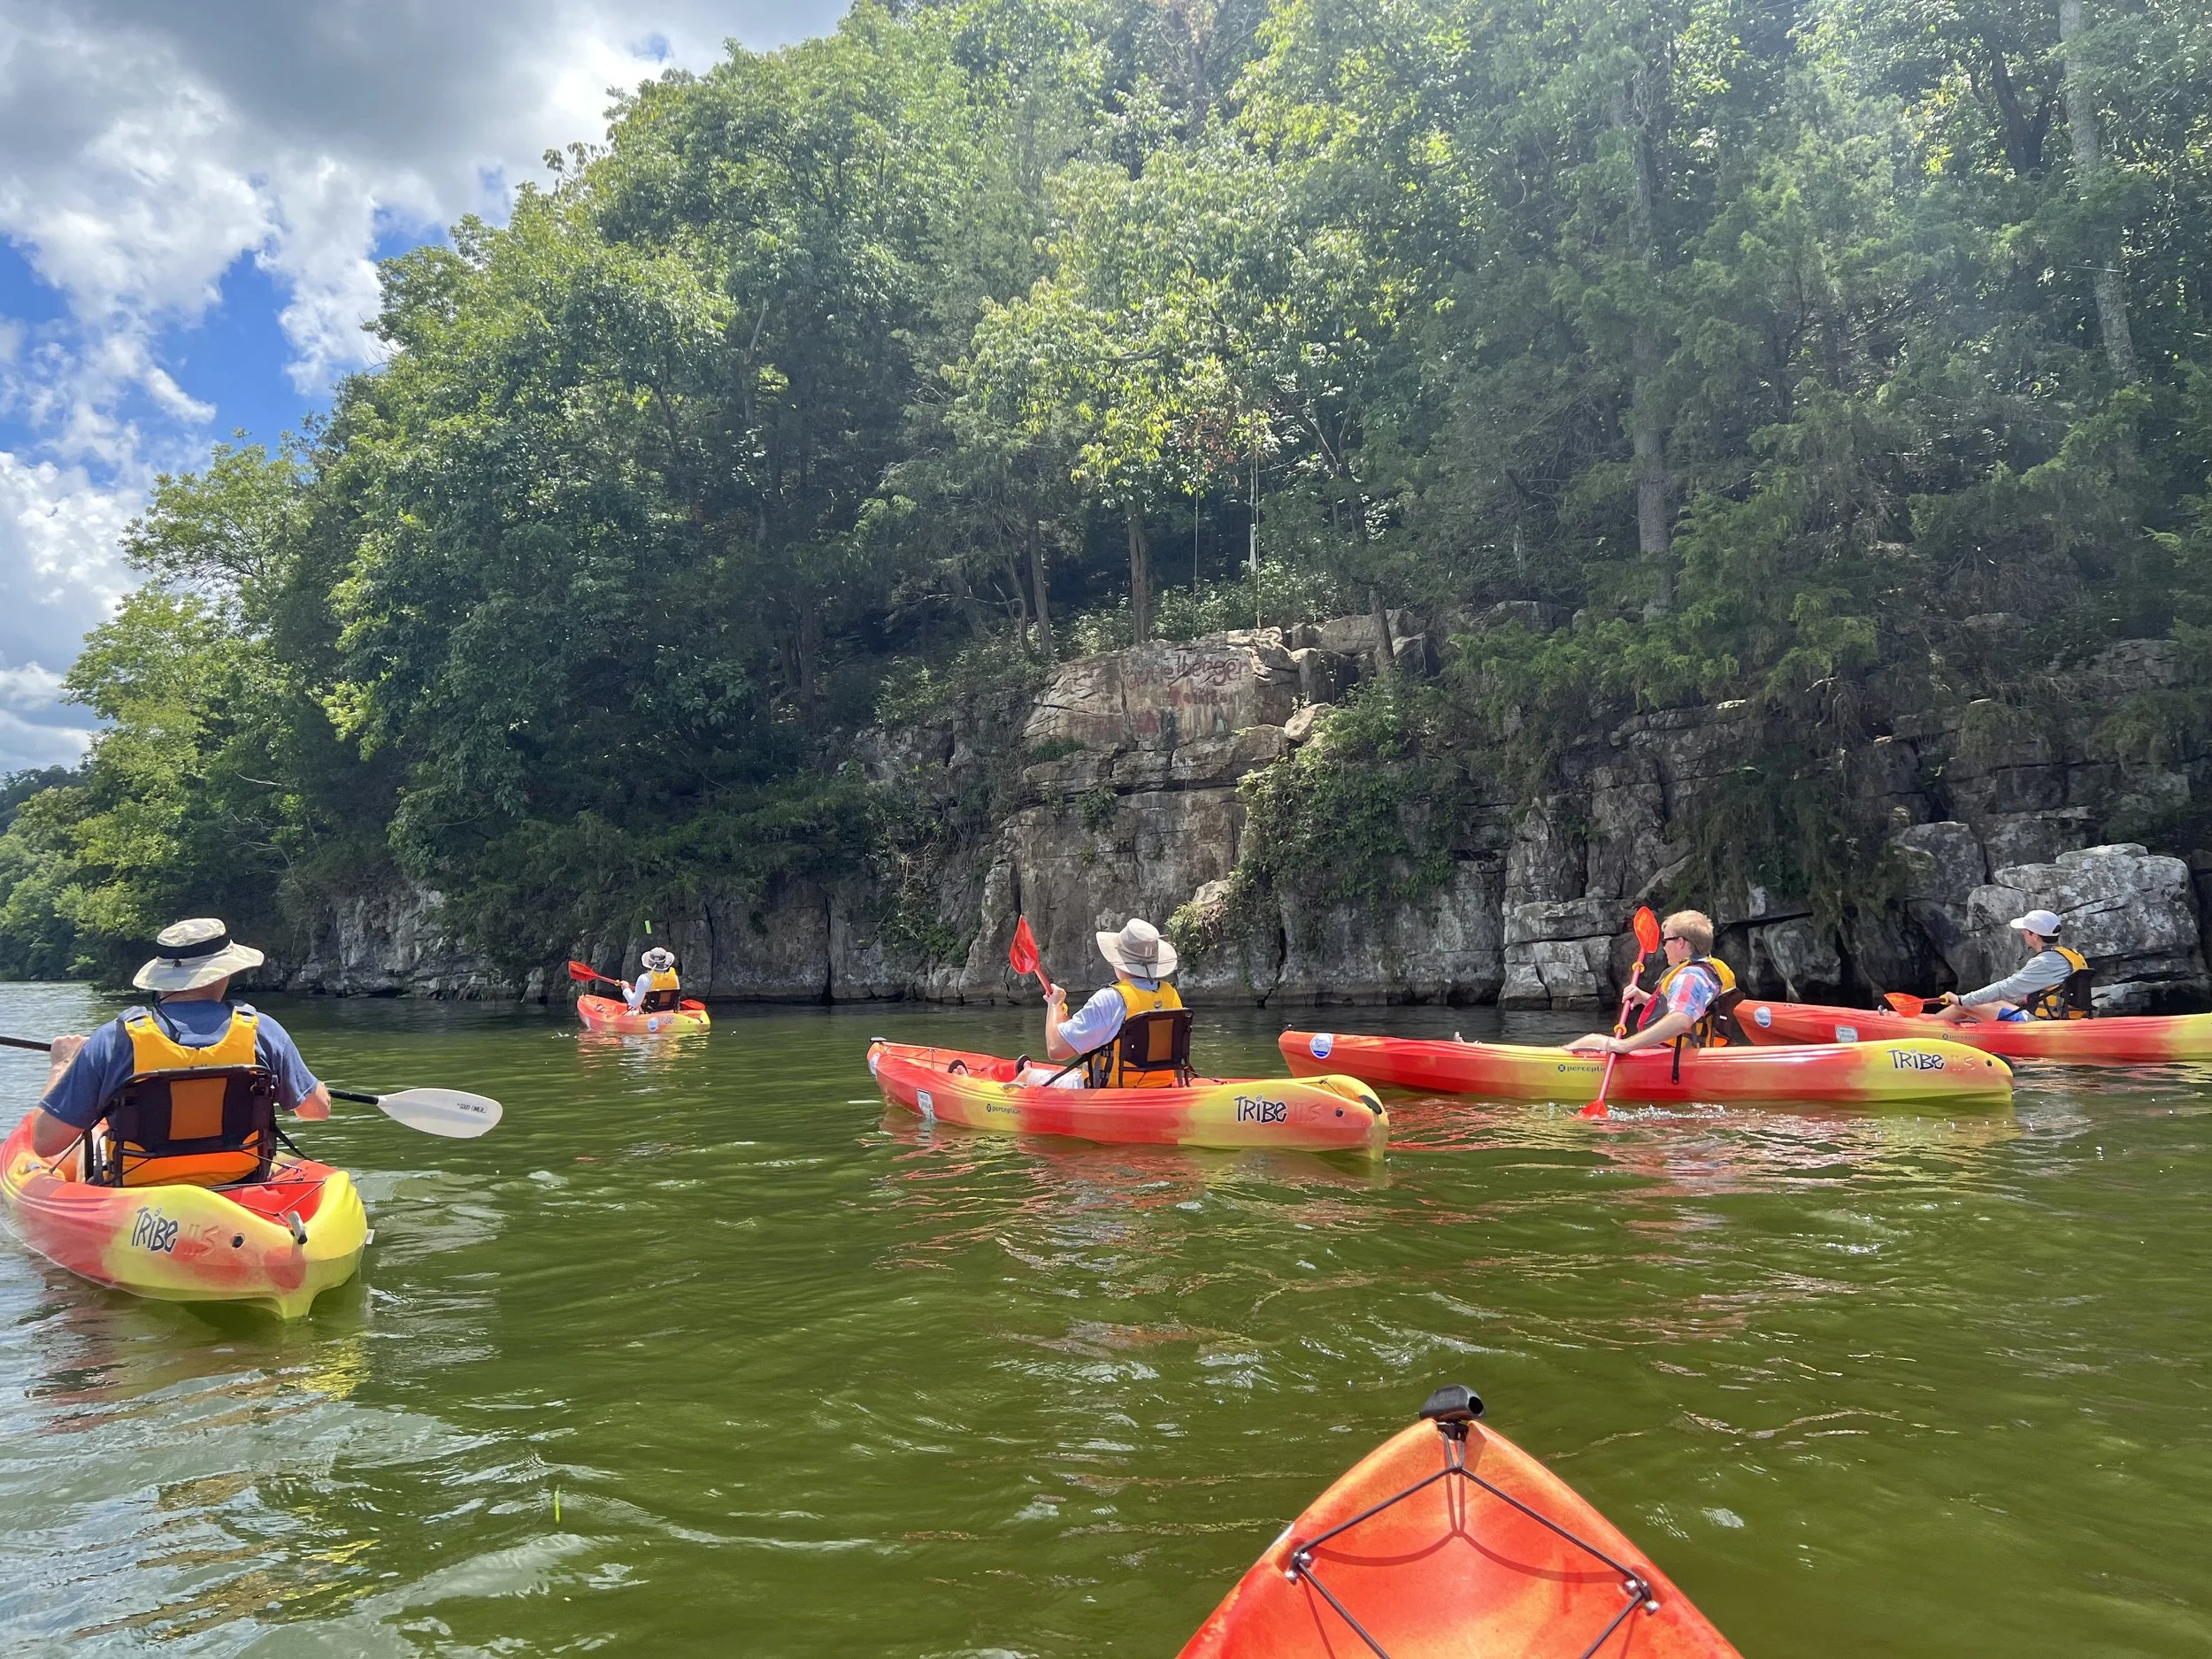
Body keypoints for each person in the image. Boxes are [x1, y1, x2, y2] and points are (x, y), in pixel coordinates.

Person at [30, 918, 330, 1180]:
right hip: (241, 1179)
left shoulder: (112, 1040)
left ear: (162, 978)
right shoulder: (263, 1031)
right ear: (224, 973)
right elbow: (316, 1111)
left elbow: (46, 1143)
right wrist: (316, 1087)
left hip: (140, 1192)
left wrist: (63, 1065)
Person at [1028, 918, 1185, 1088]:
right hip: (1160, 1087)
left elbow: (1056, 1049)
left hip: (1109, 1091)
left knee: (1026, 1076)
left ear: (1118, 960)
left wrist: (1054, 1004)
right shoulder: (1171, 995)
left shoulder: (1110, 999)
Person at [1566, 909, 1747, 1055]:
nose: (1663, 946)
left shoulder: (1689, 977)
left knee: (1592, 1042)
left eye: (1666, 940)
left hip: (1677, 1058)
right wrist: (1646, 999)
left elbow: (1681, 1020)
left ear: (1681, 943)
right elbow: (1696, 1010)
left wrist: (1626, 1045)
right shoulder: (1708, 971)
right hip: (1701, 1051)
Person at [1924, 909, 2092, 1023]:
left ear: (2034, 935)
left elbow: (2006, 988)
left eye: (2025, 931)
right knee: (1981, 1003)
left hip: (2040, 1024)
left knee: (1967, 1006)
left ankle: (1927, 1031)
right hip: (2068, 1018)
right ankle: (1935, 1025)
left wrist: (1961, 999)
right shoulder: (2071, 955)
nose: (2022, 933)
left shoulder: (2044, 962)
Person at [624, 947, 682, 1013]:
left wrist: (626, 989)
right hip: (671, 1013)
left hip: (650, 1013)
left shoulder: (643, 979)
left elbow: (635, 1003)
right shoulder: (675, 977)